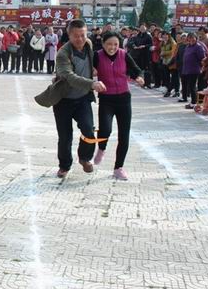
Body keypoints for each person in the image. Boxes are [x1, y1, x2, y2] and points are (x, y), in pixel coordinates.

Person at [34, 19, 106, 178]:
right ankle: (64, 166)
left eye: (83, 35)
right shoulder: (63, 54)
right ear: (69, 35)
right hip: (63, 100)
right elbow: (69, 77)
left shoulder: (88, 45)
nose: (80, 39)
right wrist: (92, 84)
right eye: (76, 36)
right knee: (65, 136)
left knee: (88, 129)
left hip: (83, 98)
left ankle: (85, 158)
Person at [92, 31, 144, 180]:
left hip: (123, 99)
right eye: (109, 44)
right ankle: (101, 148)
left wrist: (139, 77)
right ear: (103, 44)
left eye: (115, 44)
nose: (112, 47)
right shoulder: (97, 56)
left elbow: (137, 70)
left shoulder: (124, 55)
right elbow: (87, 72)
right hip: (106, 99)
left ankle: (118, 168)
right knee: (105, 129)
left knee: (124, 135)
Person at [180, 32, 206, 109]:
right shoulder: (188, 46)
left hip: (195, 69)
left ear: (196, 38)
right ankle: (193, 101)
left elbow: (202, 58)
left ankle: (194, 102)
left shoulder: (198, 47)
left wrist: (202, 67)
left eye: (193, 38)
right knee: (190, 86)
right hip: (187, 69)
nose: (191, 39)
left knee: (193, 86)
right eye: (189, 38)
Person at [160, 32, 179, 97]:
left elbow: (173, 52)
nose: (165, 36)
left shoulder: (172, 42)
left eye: (166, 35)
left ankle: (176, 91)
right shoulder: (162, 43)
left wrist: (164, 53)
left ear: (169, 36)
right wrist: (162, 54)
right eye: (163, 35)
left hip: (171, 62)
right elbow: (161, 51)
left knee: (174, 77)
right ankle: (169, 90)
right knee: (166, 77)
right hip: (165, 62)